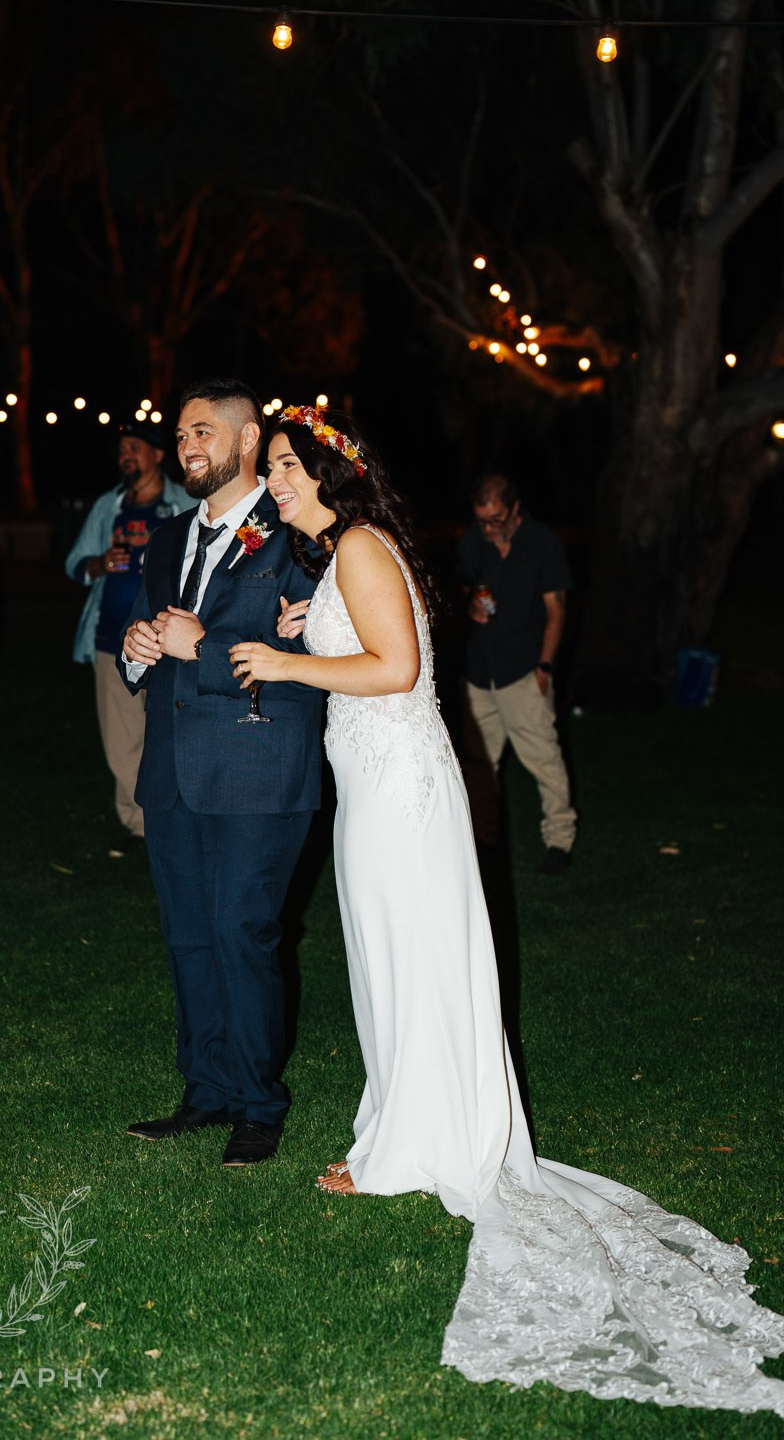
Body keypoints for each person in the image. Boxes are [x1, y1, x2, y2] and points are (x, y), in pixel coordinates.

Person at [228, 405, 784, 1415]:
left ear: (327, 474)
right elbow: (379, 644)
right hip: (380, 784)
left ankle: (415, 1146)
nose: (270, 482)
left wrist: (286, 661)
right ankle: (401, 1126)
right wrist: (308, 627)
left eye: (281, 467)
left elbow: (394, 670)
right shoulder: (345, 554)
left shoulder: (354, 543)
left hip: (396, 793)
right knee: (392, 962)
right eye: (269, 468)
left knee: (409, 959)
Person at [120, 377, 323, 1167]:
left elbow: (313, 657)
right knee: (190, 938)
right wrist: (139, 654)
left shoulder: (295, 535)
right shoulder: (169, 537)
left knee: (243, 934)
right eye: (180, 435)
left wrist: (197, 648)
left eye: (203, 431)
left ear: (247, 441)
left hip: (258, 767)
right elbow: (158, 639)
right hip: (173, 770)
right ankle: (205, 1091)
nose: (188, 447)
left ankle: (258, 1104)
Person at [65, 425, 189, 853]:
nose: (126, 456)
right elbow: (74, 563)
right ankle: (140, 826)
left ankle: (175, 817)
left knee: (169, 732)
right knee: (121, 738)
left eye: (135, 448)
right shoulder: (108, 506)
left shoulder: (185, 503)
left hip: (170, 640)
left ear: (158, 455)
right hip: (110, 638)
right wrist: (100, 563)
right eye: (122, 450)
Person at [455, 473, 576, 874]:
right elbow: (462, 588)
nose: (488, 527)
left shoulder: (543, 544)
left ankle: (559, 841)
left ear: (514, 509)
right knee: (477, 768)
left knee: (544, 760)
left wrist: (544, 666)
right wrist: (471, 604)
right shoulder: (475, 541)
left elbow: (556, 611)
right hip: (479, 674)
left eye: (496, 519)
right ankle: (479, 844)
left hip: (523, 672)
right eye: (482, 520)